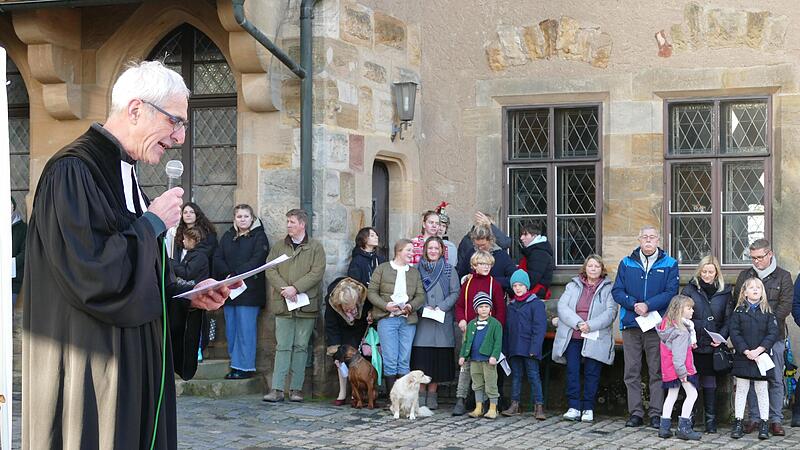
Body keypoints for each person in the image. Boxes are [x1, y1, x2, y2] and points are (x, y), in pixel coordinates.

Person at [22, 60, 235, 449]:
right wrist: (152, 223)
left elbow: (140, 272)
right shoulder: (73, 171)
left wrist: (186, 296)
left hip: (133, 367)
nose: (180, 137)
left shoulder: (128, 176)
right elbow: (92, 272)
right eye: (175, 121)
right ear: (136, 109)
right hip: (92, 372)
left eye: (184, 125)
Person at [612, 225, 679, 429]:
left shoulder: (670, 263)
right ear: (639, 239)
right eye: (645, 237)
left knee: (656, 370)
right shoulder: (626, 263)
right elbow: (617, 291)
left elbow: (671, 292)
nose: (648, 240)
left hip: (656, 325)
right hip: (631, 323)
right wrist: (634, 304)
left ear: (658, 240)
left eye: (652, 237)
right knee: (631, 370)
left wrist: (648, 305)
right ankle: (636, 413)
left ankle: (656, 414)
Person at [263, 208, 326, 402]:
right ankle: (277, 389)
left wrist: (296, 288)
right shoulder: (279, 246)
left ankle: (296, 389)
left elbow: (317, 272)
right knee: (282, 346)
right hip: (283, 304)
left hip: (306, 305)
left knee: (301, 347)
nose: (288, 225)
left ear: (302, 224)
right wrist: (285, 289)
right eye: (288, 222)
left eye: (292, 222)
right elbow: (270, 269)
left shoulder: (315, 247)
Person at [733, 238, 792, 436]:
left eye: (760, 257)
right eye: (753, 258)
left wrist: (765, 327)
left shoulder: (783, 276)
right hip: (748, 340)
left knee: (774, 378)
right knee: (750, 379)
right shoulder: (745, 276)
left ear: (770, 254)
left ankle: (775, 419)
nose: (756, 261)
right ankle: (755, 418)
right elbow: (737, 302)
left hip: (774, 337)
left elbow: (785, 306)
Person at [552, 255, 617, 423]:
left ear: (601, 269)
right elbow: (562, 307)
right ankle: (573, 406)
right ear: (585, 268)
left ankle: (588, 408)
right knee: (572, 371)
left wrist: (590, 325)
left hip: (594, 335)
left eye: (596, 266)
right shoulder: (572, 285)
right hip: (573, 334)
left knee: (592, 373)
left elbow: (610, 313)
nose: (593, 269)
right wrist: (578, 323)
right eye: (590, 266)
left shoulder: (608, 288)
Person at [213, 204, 269, 380]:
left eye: (246, 216)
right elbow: (217, 257)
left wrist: (237, 274)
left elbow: (258, 259)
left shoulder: (259, 236)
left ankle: (244, 367)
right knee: (231, 329)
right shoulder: (228, 236)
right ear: (234, 219)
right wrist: (228, 275)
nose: (242, 219)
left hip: (249, 290)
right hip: (230, 290)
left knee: (246, 330)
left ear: (252, 218)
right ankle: (235, 364)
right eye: (239, 216)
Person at [681, 255, 732, 433]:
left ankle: (711, 420)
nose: (707, 275)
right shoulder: (690, 289)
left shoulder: (725, 292)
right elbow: (681, 314)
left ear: (716, 272)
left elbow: (728, 319)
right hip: (693, 343)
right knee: (692, 381)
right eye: (704, 271)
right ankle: (690, 418)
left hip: (713, 344)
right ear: (699, 271)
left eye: (711, 271)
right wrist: (688, 337)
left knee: (710, 381)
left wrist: (721, 337)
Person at [367, 239, 425, 394]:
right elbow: (371, 292)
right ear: (399, 251)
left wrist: (410, 306)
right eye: (408, 250)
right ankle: (392, 398)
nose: (412, 253)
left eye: (412, 250)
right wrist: (385, 305)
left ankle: (403, 396)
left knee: (404, 360)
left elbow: (420, 295)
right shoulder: (382, 269)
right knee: (390, 359)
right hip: (387, 319)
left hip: (408, 320)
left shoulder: (414, 272)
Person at [452, 250, 506, 416]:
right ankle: (461, 398)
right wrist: (461, 319)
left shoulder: (494, 285)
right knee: (466, 367)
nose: (486, 267)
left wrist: (496, 330)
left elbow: (500, 310)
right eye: (482, 264)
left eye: (488, 264)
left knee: (486, 369)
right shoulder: (467, 284)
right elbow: (459, 305)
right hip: (469, 331)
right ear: (474, 266)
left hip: (487, 332)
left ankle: (489, 403)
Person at [410, 236, 459, 410]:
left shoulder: (449, 269)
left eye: (436, 248)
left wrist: (442, 307)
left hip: (442, 320)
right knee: (422, 360)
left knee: (437, 361)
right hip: (423, 321)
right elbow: (412, 292)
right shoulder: (416, 270)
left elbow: (455, 292)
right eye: (430, 248)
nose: (433, 251)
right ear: (425, 250)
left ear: (441, 251)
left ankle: (432, 394)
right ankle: (420, 394)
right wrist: (423, 307)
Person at [729, 277, 779, 440]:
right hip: (743, 356)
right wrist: (745, 350)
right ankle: (738, 422)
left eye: (758, 287)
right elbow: (735, 333)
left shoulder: (768, 312)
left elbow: (773, 333)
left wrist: (759, 350)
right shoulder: (738, 312)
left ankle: (764, 423)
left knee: (762, 390)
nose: (755, 290)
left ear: (762, 291)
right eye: (751, 287)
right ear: (744, 292)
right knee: (741, 390)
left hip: (761, 356)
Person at [501, 269, 547, 419]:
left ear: (526, 286)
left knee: (533, 375)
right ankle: (515, 404)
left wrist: (535, 347)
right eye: (515, 286)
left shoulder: (536, 304)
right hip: (515, 346)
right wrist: (506, 348)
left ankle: (539, 405)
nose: (518, 288)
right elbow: (507, 329)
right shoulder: (511, 306)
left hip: (530, 347)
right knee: (516, 376)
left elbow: (539, 328)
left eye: (521, 285)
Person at [656, 295, 701, 441]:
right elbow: (678, 355)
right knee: (692, 394)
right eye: (689, 308)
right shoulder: (681, 331)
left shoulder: (667, 326)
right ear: (680, 310)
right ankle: (684, 428)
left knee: (671, 395)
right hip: (682, 369)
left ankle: (664, 427)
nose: (692, 311)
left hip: (669, 368)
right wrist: (682, 373)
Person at [324, 277, 369, 406]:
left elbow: (370, 310)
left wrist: (370, 315)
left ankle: (358, 393)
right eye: (346, 308)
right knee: (341, 359)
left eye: (352, 308)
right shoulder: (332, 302)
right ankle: (342, 392)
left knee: (358, 358)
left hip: (360, 327)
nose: (349, 311)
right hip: (341, 329)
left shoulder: (363, 295)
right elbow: (331, 328)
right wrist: (336, 353)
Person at [459, 292, 503, 420]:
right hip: (474, 359)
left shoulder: (495, 324)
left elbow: (498, 342)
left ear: (490, 308)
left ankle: (493, 408)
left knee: (491, 382)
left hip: (488, 360)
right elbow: (466, 341)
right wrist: (463, 355)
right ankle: (479, 407)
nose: (484, 309)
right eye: (481, 307)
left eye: (486, 306)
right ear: (476, 309)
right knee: (477, 382)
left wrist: (494, 356)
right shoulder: (471, 324)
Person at [455, 225, 516, 290]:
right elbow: (460, 275)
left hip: (495, 294)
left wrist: (490, 281)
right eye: (477, 245)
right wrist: (466, 278)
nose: (480, 248)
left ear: (490, 241)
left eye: (483, 245)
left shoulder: (502, 256)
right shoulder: (470, 254)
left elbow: (514, 279)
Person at [518, 220, 554, 299]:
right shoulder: (534, 251)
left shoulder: (539, 253)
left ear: (534, 236)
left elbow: (532, 279)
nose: (521, 238)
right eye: (522, 235)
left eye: (525, 234)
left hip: (534, 294)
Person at [11, 196, 26, 307]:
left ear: (13, 208)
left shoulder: (23, 228)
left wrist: (11, 264)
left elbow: (25, 252)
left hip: (13, 280)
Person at [435, 201, 458, 266]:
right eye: (439, 225)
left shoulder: (451, 246)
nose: (441, 228)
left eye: (444, 226)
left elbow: (452, 266)